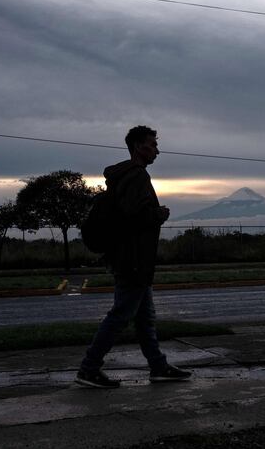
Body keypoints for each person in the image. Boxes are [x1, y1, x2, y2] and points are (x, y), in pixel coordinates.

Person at [75, 126, 191, 388]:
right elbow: (131, 218)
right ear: (139, 147)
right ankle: (89, 368)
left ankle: (158, 367)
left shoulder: (124, 176)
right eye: (153, 145)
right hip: (133, 260)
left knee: (144, 318)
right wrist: (158, 214)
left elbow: (125, 216)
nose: (157, 150)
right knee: (120, 316)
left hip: (130, 259)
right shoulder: (137, 177)